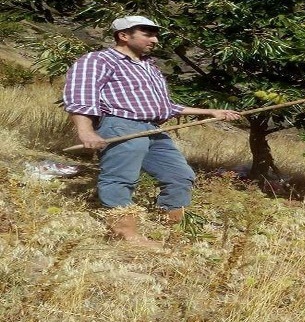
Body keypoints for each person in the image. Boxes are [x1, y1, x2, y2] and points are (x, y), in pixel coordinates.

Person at [62, 15, 242, 246]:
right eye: (147, 34)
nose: (155, 40)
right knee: (121, 177)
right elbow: (81, 97)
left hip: (152, 129)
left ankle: (173, 224)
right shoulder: (98, 60)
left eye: (155, 34)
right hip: (120, 123)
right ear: (124, 36)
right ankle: (125, 234)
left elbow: (164, 107)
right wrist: (86, 132)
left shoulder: (150, 67)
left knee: (179, 175)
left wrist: (210, 112)